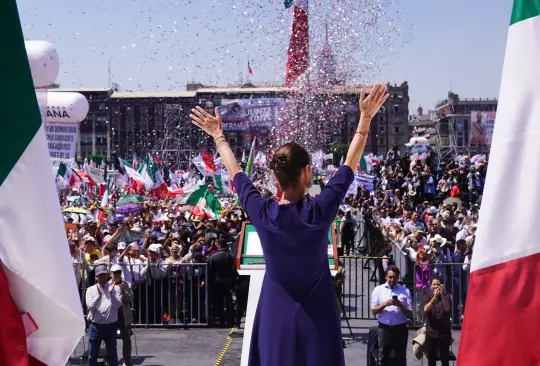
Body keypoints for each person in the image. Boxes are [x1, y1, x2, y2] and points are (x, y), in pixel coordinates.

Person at [190, 82, 389, 366]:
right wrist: (365, 118)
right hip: (317, 320)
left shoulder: (262, 212)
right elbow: (350, 163)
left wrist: (218, 135)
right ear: (307, 171)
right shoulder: (320, 209)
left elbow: (235, 172)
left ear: (276, 178)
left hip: (275, 319)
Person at [370, 265, 413, 366]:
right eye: (390, 277)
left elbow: (410, 313)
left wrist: (400, 305)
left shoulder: (405, 291)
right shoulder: (378, 290)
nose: (392, 280)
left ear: (398, 277)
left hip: (400, 329)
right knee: (383, 357)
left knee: (400, 357)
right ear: (386, 277)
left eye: (394, 277)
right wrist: (385, 304)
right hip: (385, 329)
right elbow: (374, 310)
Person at [85, 265, 123, 366]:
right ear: (96, 277)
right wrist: (99, 296)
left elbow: (118, 304)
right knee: (92, 354)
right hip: (95, 326)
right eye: (100, 275)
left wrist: (111, 295)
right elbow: (90, 306)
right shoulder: (90, 290)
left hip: (110, 326)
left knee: (112, 354)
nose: (103, 277)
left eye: (104, 275)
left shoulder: (115, 289)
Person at [423, 278, 452, 366]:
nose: (436, 287)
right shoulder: (427, 295)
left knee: (444, 358)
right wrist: (434, 298)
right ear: (431, 286)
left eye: (438, 285)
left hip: (444, 332)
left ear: (442, 286)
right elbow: (425, 309)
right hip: (431, 332)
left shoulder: (446, 296)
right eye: (434, 285)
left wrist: (442, 295)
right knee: (432, 358)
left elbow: (447, 308)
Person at [110, 264, 134, 366]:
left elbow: (131, 299)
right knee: (110, 340)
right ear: (111, 274)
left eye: (118, 272)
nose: (116, 275)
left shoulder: (127, 284)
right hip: (112, 316)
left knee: (127, 340)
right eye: (114, 273)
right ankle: (111, 360)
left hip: (124, 315)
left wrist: (124, 290)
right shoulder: (108, 285)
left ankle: (126, 360)